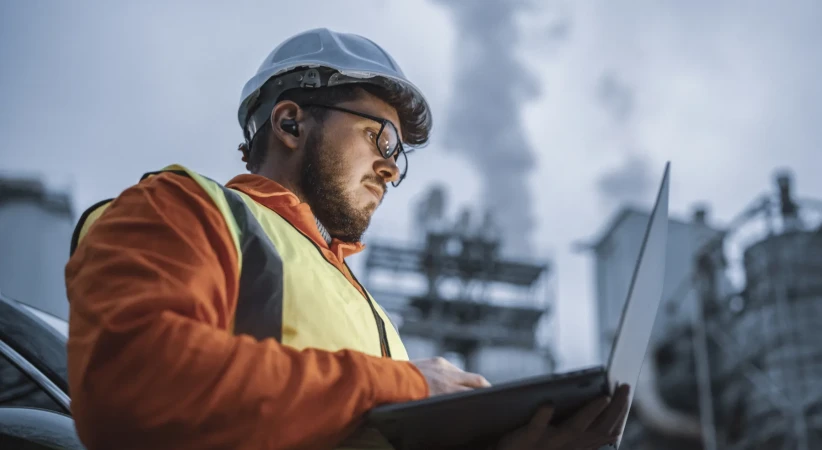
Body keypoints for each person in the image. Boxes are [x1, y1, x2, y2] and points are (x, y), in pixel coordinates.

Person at [65, 28, 631, 450]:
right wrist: (401, 386)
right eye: (379, 138)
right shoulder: (184, 208)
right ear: (290, 124)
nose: (391, 169)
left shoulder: (371, 315)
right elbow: (135, 383)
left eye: (399, 157)